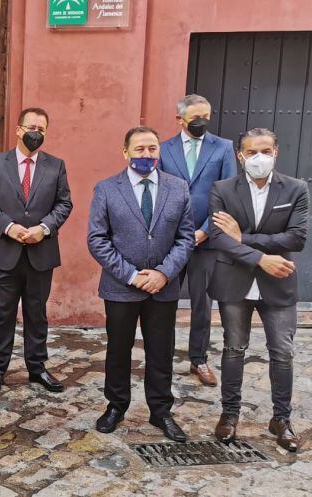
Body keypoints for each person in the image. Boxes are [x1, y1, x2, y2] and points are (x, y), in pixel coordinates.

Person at [87, 126, 194, 442]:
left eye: (151, 149)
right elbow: (97, 239)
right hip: (121, 287)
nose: (146, 155)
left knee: (161, 351)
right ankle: (116, 406)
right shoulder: (106, 189)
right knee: (118, 349)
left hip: (163, 288)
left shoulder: (178, 188)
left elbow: (186, 237)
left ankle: (161, 411)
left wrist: (163, 273)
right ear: (125, 152)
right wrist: (132, 275)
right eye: (139, 149)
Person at [208, 128, 308, 452]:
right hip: (234, 281)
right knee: (233, 349)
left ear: (276, 151)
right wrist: (263, 257)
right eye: (251, 152)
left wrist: (246, 240)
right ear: (240, 155)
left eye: (265, 150)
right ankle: (229, 415)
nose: (258, 157)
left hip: (278, 283)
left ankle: (282, 419)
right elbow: (219, 238)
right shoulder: (222, 189)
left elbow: (296, 238)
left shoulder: (296, 189)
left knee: (282, 352)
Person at [0, 107, 73, 394]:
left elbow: (64, 204)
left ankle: (37, 368)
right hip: (4, 252)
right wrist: (9, 227)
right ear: (18, 130)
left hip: (40, 252)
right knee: (1, 313)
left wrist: (42, 228)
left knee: (36, 313)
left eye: (41, 129)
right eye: (31, 127)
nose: (36, 133)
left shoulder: (56, 166)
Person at [157, 94, 238, 387]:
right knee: (165, 300)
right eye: (195, 117)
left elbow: (229, 194)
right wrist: (176, 234)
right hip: (171, 241)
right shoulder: (164, 150)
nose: (201, 121)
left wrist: (204, 231)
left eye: (206, 115)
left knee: (202, 304)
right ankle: (161, 356)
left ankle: (198, 358)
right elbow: (159, 193)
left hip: (207, 240)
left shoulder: (224, 148)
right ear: (180, 119)